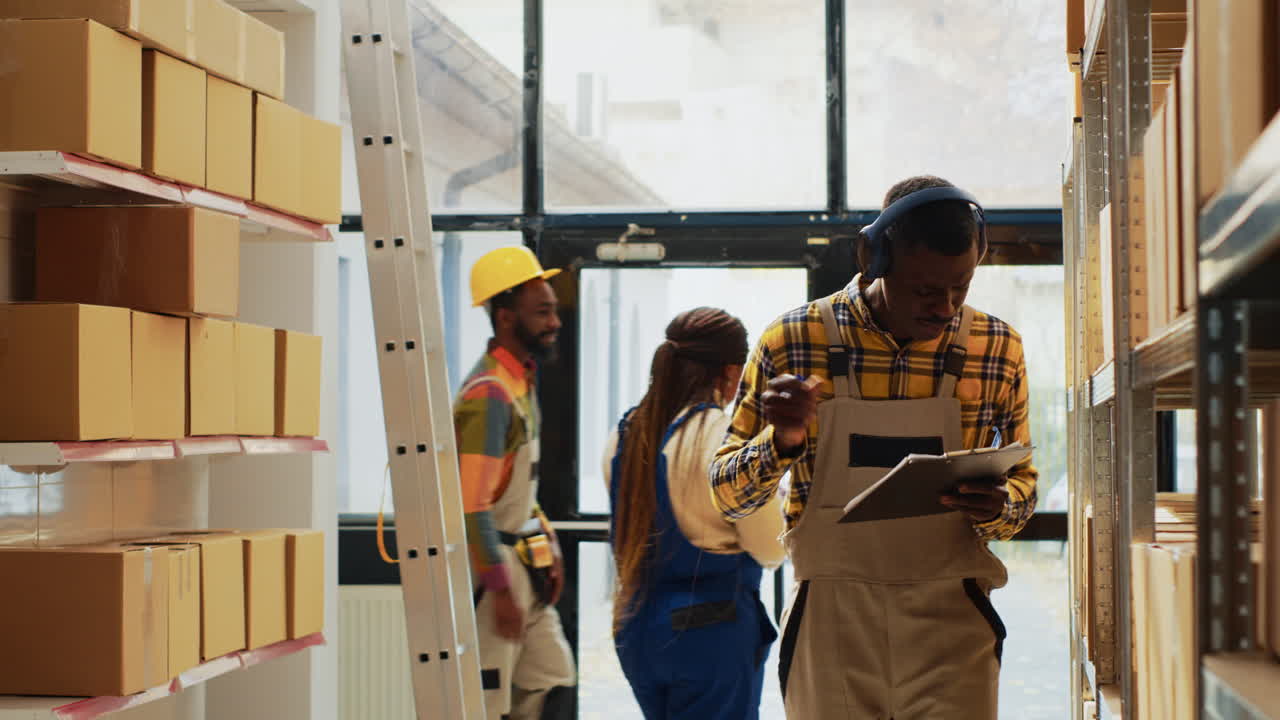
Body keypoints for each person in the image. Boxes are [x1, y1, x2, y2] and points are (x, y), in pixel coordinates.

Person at [710, 175, 1038, 719]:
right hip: (832, 619)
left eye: (960, 287)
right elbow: (728, 497)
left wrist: (1002, 507)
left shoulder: (997, 347)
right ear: (874, 258)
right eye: (925, 290)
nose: (945, 307)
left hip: (952, 617)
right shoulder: (793, 341)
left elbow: (1024, 484)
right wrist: (781, 441)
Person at [605, 307, 785, 720]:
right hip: (709, 631)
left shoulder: (625, 433)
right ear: (732, 373)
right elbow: (770, 549)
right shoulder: (723, 440)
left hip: (638, 626)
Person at [455, 246, 576, 720]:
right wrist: (501, 590)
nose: (555, 322)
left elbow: (517, 484)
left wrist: (546, 536)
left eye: (553, 310)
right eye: (542, 311)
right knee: (488, 703)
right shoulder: (488, 396)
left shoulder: (518, 382)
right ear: (506, 317)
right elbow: (472, 505)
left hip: (519, 562)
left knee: (552, 681)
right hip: (492, 572)